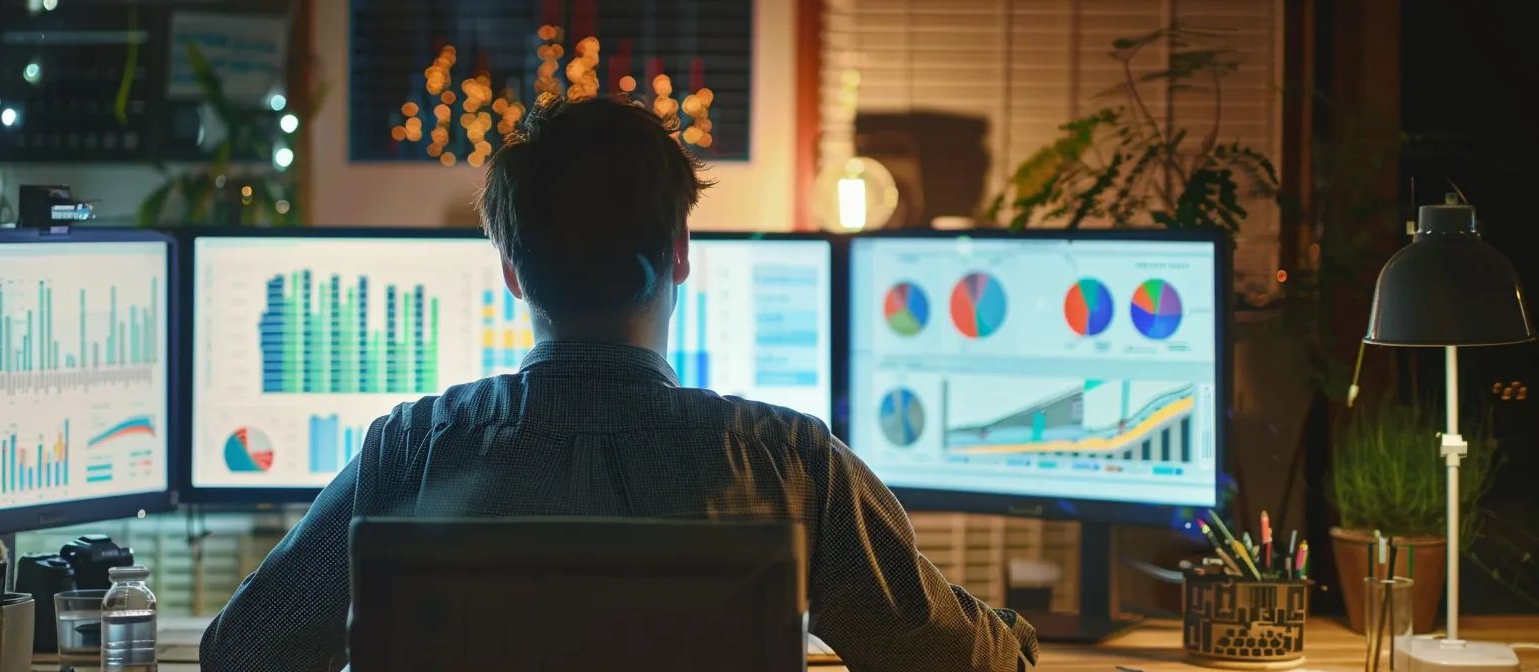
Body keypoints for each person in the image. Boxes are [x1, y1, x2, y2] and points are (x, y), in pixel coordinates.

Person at [200, 93, 1039, 672]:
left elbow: (245, 654)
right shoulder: (789, 467)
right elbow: (956, 661)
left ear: (513, 274)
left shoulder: (412, 456)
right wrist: (1017, 638)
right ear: (679, 255)